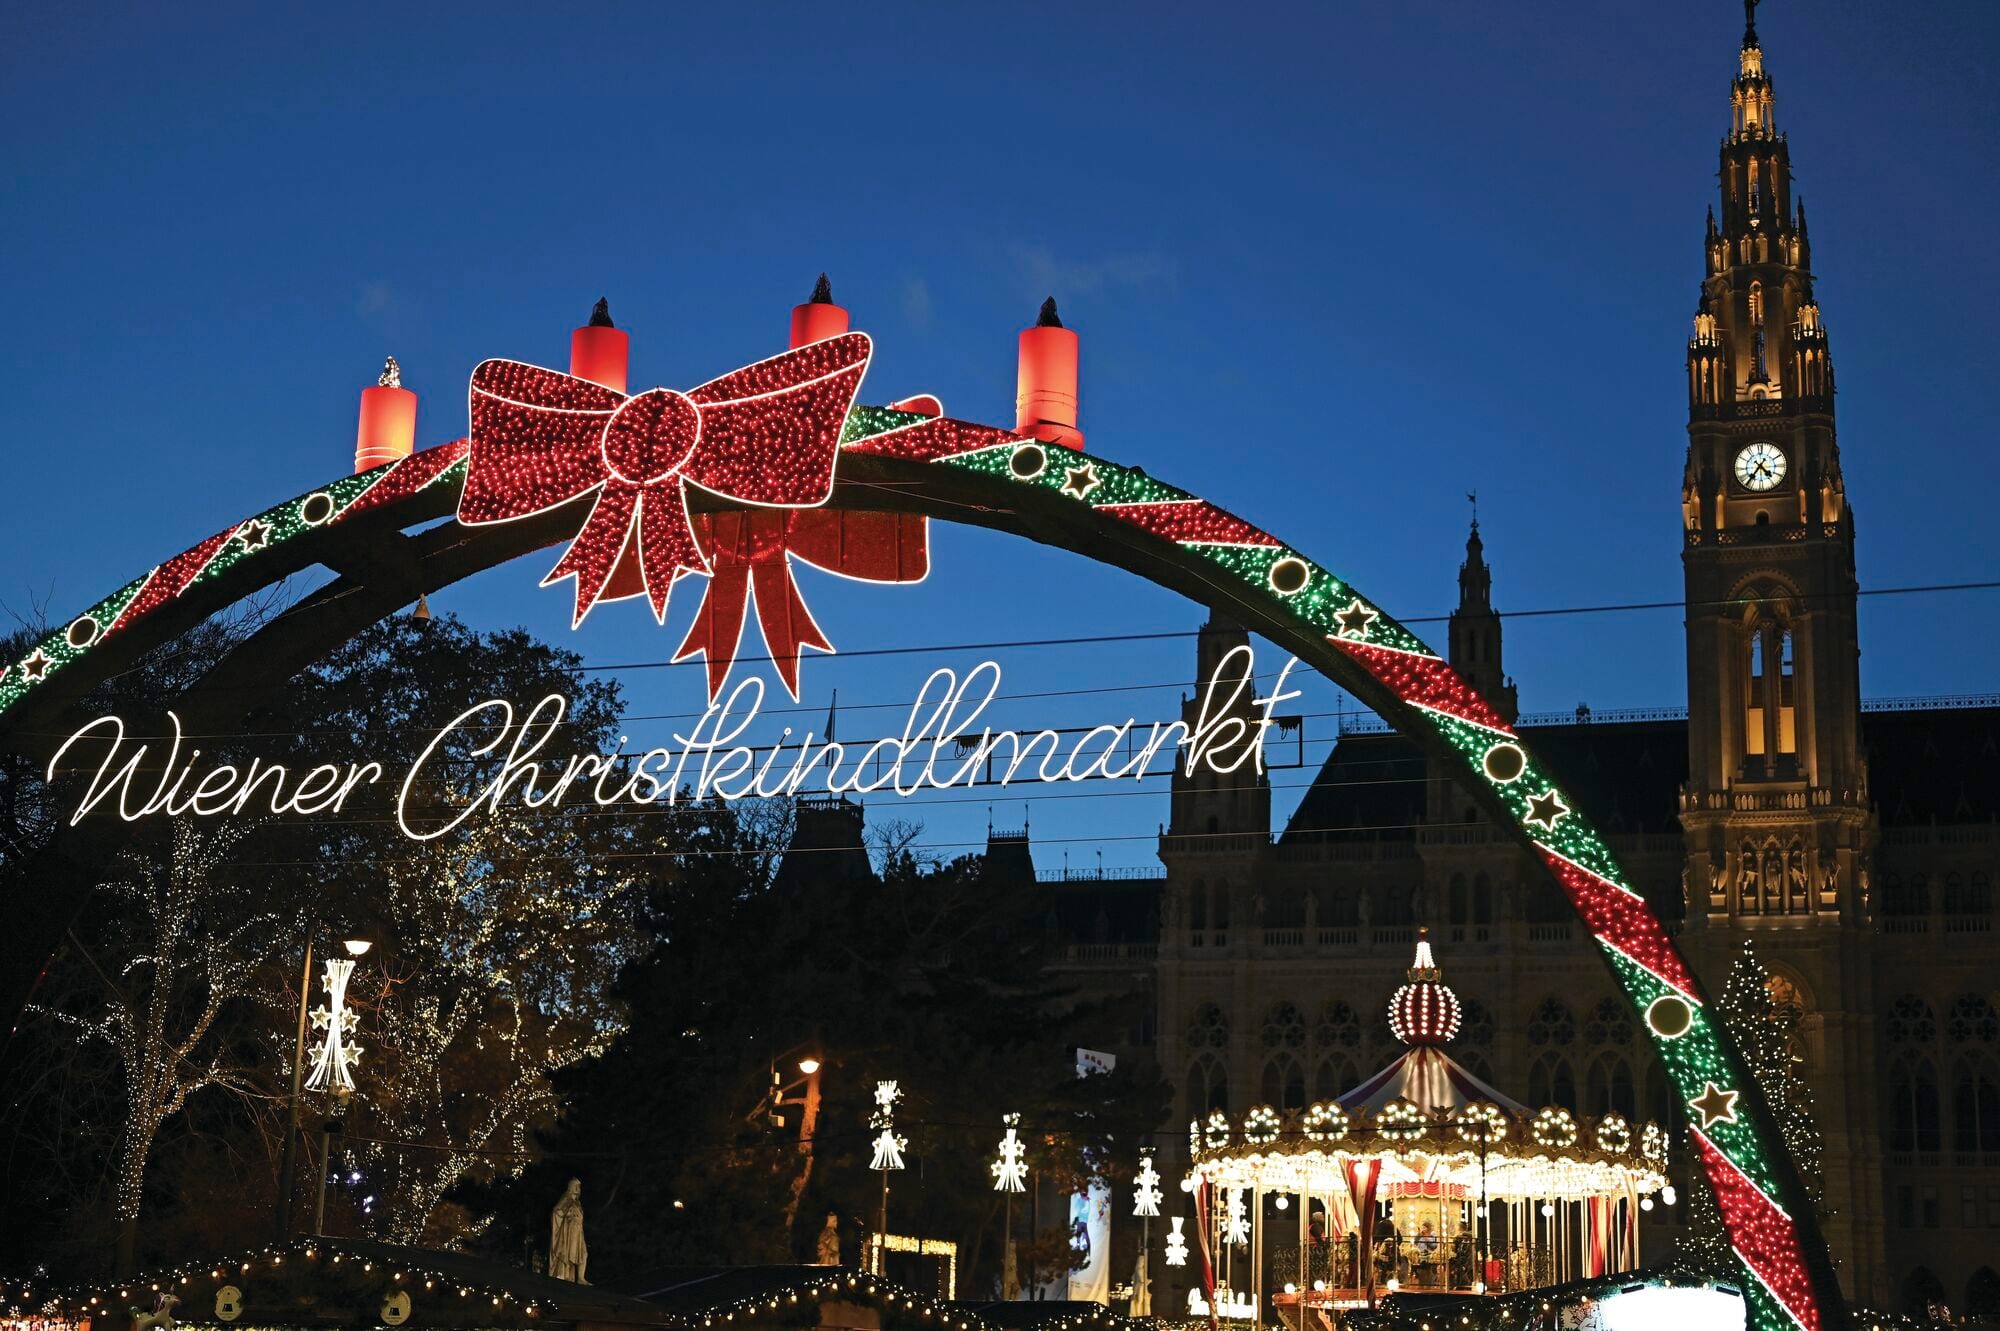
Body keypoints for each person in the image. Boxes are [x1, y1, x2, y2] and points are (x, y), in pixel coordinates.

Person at [549, 1178, 588, 1283]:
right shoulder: (567, 1198)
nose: (578, 1188)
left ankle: (580, 1278)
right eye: (576, 1185)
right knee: (568, 1253)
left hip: (578, 1231)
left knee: (583, 1253)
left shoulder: (577, 1202)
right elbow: (557, 1211)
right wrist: (565, 1215)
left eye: (579, 1186)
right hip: (569, 1231)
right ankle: (566, 1276)